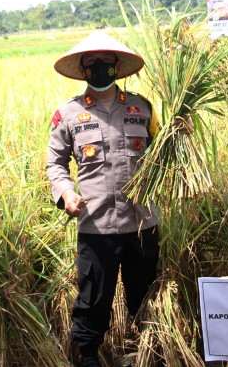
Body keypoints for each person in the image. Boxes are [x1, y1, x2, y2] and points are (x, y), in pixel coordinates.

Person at [46, 31, 160, 367]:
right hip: (96, 225)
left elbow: (163, 152)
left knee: (146, 296)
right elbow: (55, 163)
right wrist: (66, 193)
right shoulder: (68, 114)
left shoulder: (143, 108)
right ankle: (88, 356)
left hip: (143, 223)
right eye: (91, 62)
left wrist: (181, 134)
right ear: (82, 69)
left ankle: (149, 352)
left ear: (117, 66)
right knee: (93, 298)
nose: (98, 67)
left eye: (105, 61)